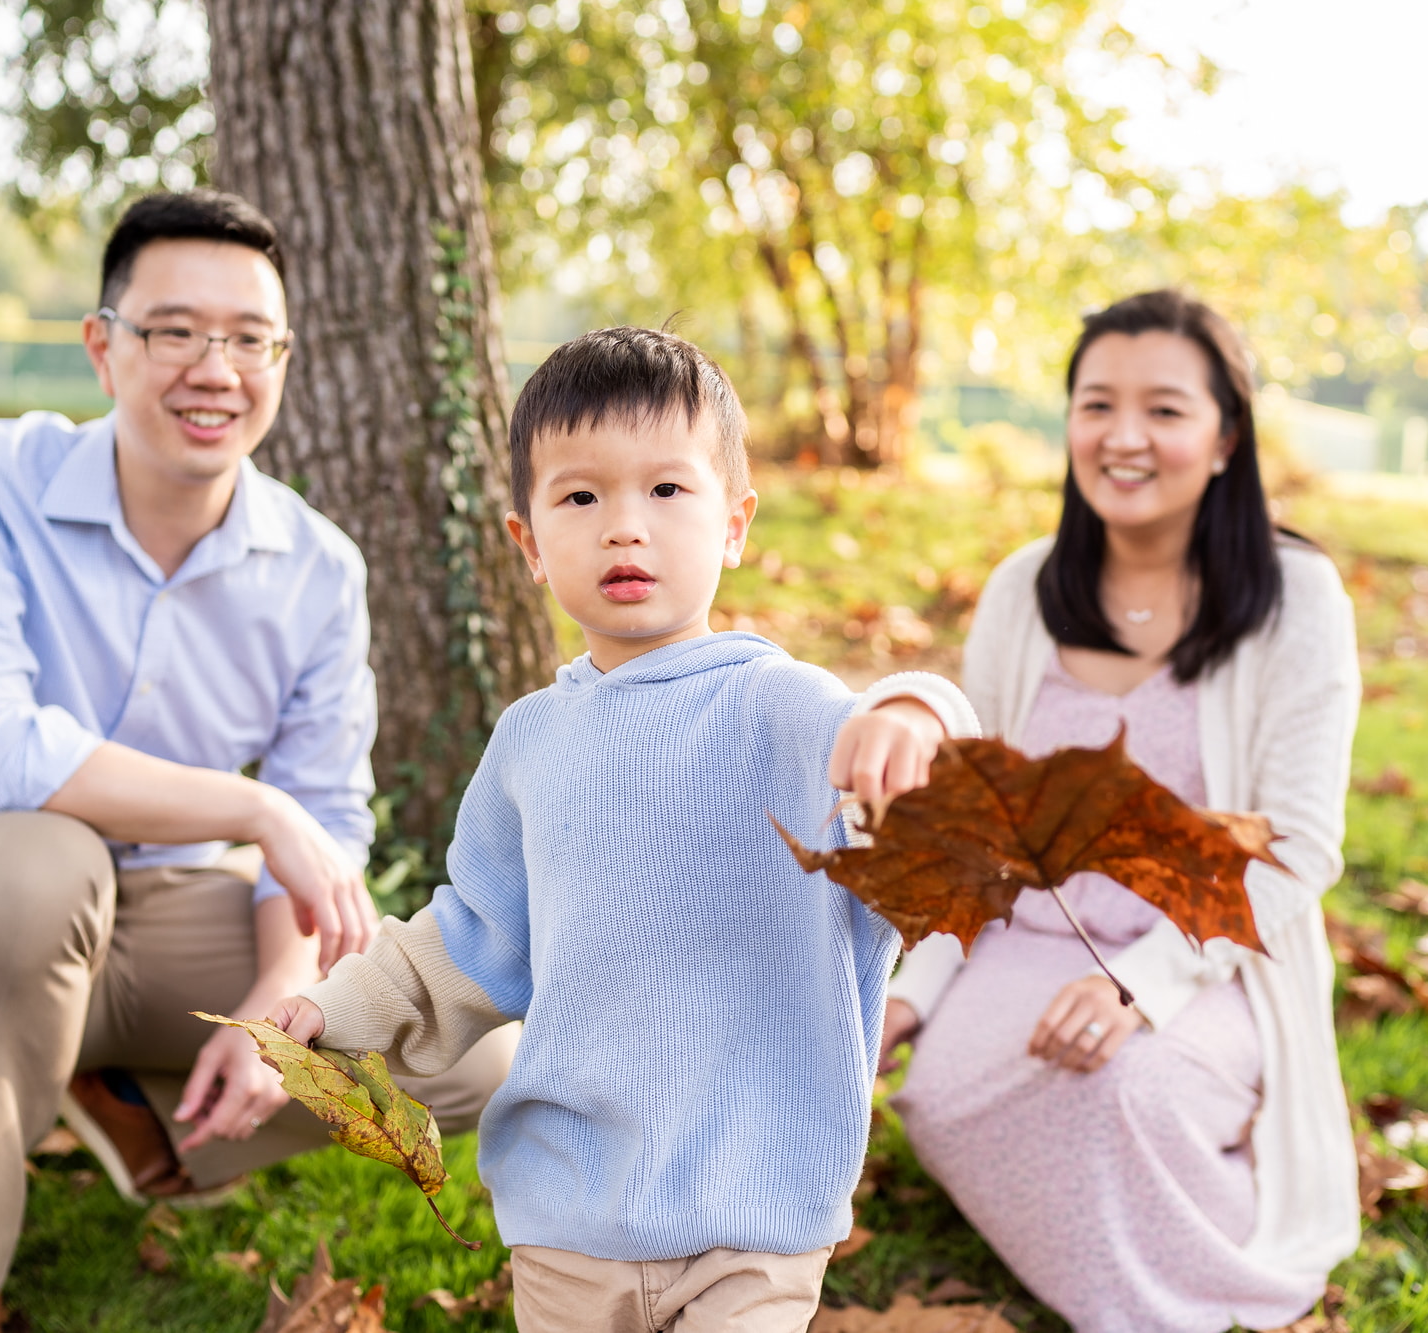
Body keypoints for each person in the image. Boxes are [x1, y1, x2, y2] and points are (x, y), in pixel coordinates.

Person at [0, 190, 517, 1333]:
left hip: (156, 925)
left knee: (474, 1058)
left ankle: (129, 1104)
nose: (216, 367)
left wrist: (271, 1009)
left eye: (251, 338)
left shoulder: (316, 569)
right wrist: (247, 806)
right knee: (41, 863)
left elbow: (320, 819)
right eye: (174, 331)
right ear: (102, 347)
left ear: (283, 358)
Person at [266, 326, 979, 1333]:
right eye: (580, 497)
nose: (623, 529)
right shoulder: (530, 741)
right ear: (526, 540)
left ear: (733, 524)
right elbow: (474, 931)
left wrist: (911, 717)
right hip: (567, 1211)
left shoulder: (781, 708)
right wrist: (338, 1008)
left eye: (666, 492)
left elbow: (929, 766)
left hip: (753, 1205)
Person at [881, 290, 1361, 1333]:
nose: (1124, 436)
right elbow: (979, 822)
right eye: (1096, 404)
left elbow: (1297, 849)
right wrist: (913, 992)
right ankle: (1107, 1230)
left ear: (1224, 436)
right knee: (945, 1095)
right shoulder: (1024, 589)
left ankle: (1178, 1281)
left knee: (1123, 1093)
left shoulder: (1297, 599)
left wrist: (1140, 986)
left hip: (1206, 953)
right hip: (1025, 940)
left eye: (1164, 409)